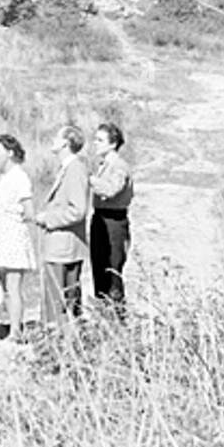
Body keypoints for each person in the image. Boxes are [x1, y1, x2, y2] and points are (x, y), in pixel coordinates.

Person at [36, 124, 91, 324]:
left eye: (57, 137)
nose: (53, 140)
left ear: (66, 143)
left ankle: (56, 343)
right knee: (67, 301)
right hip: (64, 245)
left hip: (63, 246)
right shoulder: (69, 168)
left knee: (57, 302)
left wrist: (48, 219)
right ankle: (67, 343)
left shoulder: (75, 168)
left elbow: (78, 210)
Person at [0, 134, 36, 340]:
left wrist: (19, 225)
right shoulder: (4, 179)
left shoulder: (19, 177)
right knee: (5, 286)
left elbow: (29, 211)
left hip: (14, 235)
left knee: (13, 286)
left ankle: (16, 331)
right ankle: (12, 327)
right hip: (2, 235)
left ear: (10, 153)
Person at [90, 122, 134, 311]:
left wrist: (89, 179)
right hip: (101, 218)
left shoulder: (119, 166)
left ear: (113, 143)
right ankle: (104, 314)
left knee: (111, 270)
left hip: (114, 221)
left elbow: (111, 190)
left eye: (100, 140)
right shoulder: (104, 165)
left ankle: (116, 316)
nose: (95, 144)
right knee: (99, 268)